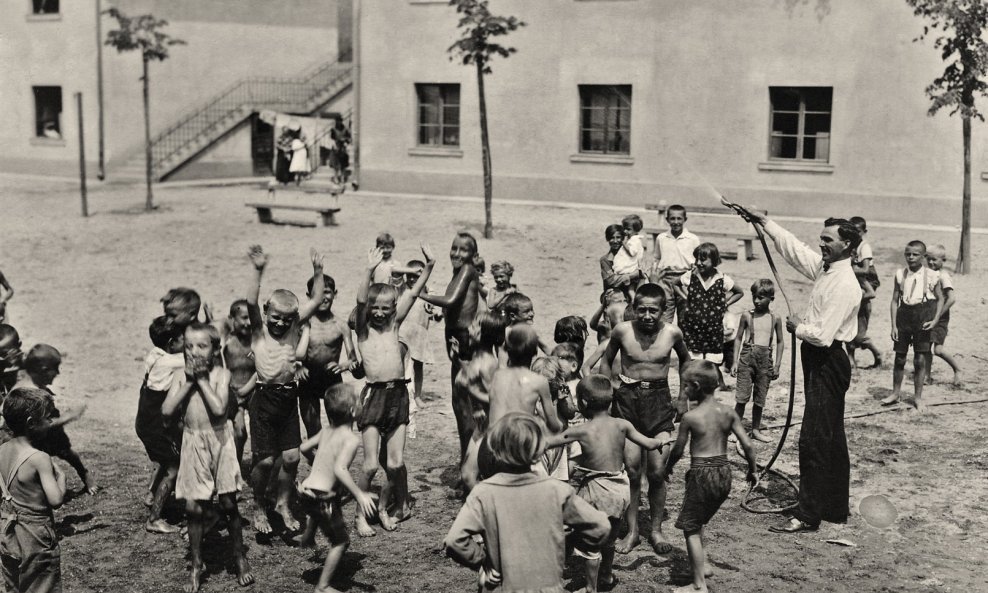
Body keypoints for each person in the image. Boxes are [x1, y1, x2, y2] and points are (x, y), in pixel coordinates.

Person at [743, 210, 860, 534]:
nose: (820, 244)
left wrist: (797, 328)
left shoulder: (845, 284)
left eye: (827, 240)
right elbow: (794, 249)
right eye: (821, 239)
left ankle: (808, 514)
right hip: (819, 359)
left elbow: (822, 335)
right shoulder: (828, 269)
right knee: (831, 437)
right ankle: (835, 508)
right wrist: (763, 223)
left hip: (828, 360)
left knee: (814, 439)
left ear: (846, 244)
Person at [443, 413, 610, 593]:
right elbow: (601, 526)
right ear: (539, 451)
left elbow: (454, 541)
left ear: (494, 449)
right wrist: (566, 542)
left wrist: (482, 561)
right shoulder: (556, 490)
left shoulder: (483, 493)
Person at [544, 375, 673, 593]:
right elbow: (649, 443)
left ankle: (590, 588)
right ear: (611, 402)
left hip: (598, 490)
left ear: (583, 403)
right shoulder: (622, 424)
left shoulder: (581, 430)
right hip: (620, 489)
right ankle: (606, 575)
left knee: (590, 544)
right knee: (610, 538)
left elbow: (550, 441)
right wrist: (661, 441)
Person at [599, 283, 691, 554]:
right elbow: (606, 360)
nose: (647, 316)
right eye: (642, 310)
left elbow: (686, 361)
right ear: (633, 309)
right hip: (626, 402)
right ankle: (633, 531)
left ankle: (656, 530)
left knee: (657, 471)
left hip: (659, 402)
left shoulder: (673, 333)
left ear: (664, 311)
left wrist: (683, 397)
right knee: (632, 469)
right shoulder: (622, 331)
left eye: (653, 311)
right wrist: (608, 389)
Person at [162, 323, 253, 592]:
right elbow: (167, 411)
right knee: (193, 507)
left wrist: (201, 381)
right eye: (188, 346)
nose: (193, 352)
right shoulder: (180, 376)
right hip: (193, 440)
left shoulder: (221, 374)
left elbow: (219, 409)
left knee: (228, 503)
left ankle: (239, 555)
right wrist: (189, 381)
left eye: (201, 346)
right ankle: (196, 563)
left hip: (220, 440)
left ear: (215, 350)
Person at [354, 244, 434, 535]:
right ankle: (361, 516)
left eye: (385, 309)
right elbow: (362, 301)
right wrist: (368, 270)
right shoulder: (364, 333)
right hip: (374, 396)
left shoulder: (394, 328)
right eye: (375, 309)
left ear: (392, 311)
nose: (378, 313)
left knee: (396, 464)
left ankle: (386, 507)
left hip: (398, 395)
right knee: (370, 465)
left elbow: (412, 294)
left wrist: (430, 266)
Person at [245, 245, 325, 534]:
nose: (279, 323)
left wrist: (318, 273)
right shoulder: (258, 332)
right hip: (264, 398)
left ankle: (282, 502)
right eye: (275, 317)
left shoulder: (292, 330)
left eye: (286, 319)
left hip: (288, 397)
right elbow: (251, 301)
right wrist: (257, 269)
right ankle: (257, 505)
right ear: (267, 313)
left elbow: (316, 299)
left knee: (291, 457)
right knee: (265, 460)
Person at [665, 360, 757, 593]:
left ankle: (698, 586)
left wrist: (667, 467)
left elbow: (678, 449)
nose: (684, 390)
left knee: (691, 529)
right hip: (724, 472)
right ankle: (701, 567)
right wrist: (753, 470)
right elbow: (747, 445)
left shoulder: (690, 417)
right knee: (700, 519)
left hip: (701, 474)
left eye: (685, 386)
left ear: (695, 386)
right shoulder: (727, 412)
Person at [295, 383, 376, 593]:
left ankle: (308, 535)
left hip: (305, 491)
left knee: (332, 500)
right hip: (322, 498)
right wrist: (360, 495)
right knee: (341, 542)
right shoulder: (351, 439)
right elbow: (341, 469)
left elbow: (303, 447)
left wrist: (318, 462)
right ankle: (322, 587)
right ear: (352, 411)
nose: (360, 404)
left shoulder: (325, 431)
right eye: (358, 401)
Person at [419, 232, 481, 466]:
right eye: (454, 248)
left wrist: (422, 295)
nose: (456, 253)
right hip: (455, 335)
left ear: (473, 255)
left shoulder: (467, 270)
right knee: (458, 403)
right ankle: (466, 459)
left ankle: (470, 463)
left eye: (463, 250)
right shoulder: (459, 272)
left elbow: (452, 299)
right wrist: (439, 313)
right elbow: (456, 306)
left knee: (464, 404)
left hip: (464, 339)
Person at [470, 326, 562, 484]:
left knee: (469, 476)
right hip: (514, 450)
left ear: (507, 349)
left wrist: (473, 391)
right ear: (534, 353)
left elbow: (492, 400)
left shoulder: (498, 375)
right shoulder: (539, 381)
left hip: (490, 447)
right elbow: (554, 426)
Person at [0, 388, 67, 593]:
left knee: (13, 585)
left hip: (7, 529)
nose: (50, 422)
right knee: (42, 585)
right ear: (31, 423)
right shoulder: (39, 458)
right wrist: (62, 478)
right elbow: (55, 499)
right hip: (35, 534)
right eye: (47, 418)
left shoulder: (2, 449)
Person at [13, 345, 96, 495]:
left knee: (66, 452)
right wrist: (68, 417)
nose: (57, 373)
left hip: (48, 425)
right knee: (37, 460)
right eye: (55, 369)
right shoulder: (26, 392)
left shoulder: (32, 381)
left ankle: (84, 474)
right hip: (31, 434)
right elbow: (38, 427)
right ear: (44, 370)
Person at [882, 240, 944, 411]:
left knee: (920, 359)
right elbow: (894, 300)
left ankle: (917, 397)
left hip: (922, 318)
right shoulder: (900, 274)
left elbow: (941, 299)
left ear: (923, 257)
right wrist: (894, 325)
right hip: (903, 318)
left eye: (915, 254)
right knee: (899, 357)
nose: (910, 257)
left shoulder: (932, 275)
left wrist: (935, 320)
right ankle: (895, 393)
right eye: (907, 254)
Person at [137, 316, 186, 532]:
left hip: (144, 421)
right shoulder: (174, 361)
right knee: (174, 466)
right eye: (184, 338)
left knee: (163, 459)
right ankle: (154, 519)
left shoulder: (155, 354)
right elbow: (200, 358)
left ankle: (151, 494)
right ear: (172, 343)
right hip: (156, 424)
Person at [299, 274, 357, 446]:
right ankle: (319, 464)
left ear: (335, 293)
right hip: (308, 377)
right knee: (312, 428)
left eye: (327, 292)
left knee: (339, 424)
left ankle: (337, 461)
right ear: (309, 296)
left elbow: (352, 357)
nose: (323, 297)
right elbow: (292, 351)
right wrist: (297, 367)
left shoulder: (341, 325)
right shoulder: (303, 323)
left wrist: (344, 365)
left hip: (332, 377)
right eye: (317, 293)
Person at [730, 279, 785, 443]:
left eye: (761, 297)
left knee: (760, 398)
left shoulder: (775, 318)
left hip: (765, 362)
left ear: (771, 298)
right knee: (741, 398)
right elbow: (738, 338)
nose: (756, 301)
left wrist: (777, 365)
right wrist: (734, 362)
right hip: (747, 360)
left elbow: (781, 341)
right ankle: (735, 430)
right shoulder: (747, 315)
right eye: (754, 296)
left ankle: (755, 429)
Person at [676, 242, 744, 367]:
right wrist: (686, 298)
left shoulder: (722, 279)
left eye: (703, 260)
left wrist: (726, 303)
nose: (698, 263)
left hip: (714, 330)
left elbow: (739, 292)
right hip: (694, 328)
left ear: (714, 261)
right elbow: (675, 284)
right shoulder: (691, 275)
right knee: (694, 362)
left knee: (712, 364)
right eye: (696, 259)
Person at [396, 260, 440, 409]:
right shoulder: (401, 289)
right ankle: (400, 394)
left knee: (418, 367)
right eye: (410, 275)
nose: (413, 279)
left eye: (417, 275)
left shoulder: (428, 291)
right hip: (402, 332)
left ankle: (417, 396)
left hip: (420, 333)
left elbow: (435, 310)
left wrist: (435, 312)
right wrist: (407, 270)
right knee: (400, 365)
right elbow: (392, 271)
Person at [652, 204, 700, 322]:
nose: (676, 222)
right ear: (667, 219)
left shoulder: (692, 239)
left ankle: (682, 340)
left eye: (679, 218)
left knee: (685, 316)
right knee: (664, 317)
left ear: (685, 219)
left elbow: (699, 261)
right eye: (672, 218)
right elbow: (657, 258)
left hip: (685, 280)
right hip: (665, 279)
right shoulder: (661, 238)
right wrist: (654, 277)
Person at [846, 216, 883, 369]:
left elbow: (866, 270)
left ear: (864, 232)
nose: (856, 234)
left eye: (858, 231)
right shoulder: (850, 244)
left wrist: (852, 269)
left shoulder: (863, 246)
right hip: (855, 285)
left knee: (860, 335)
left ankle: (877, 353)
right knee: (847, 329)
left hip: (864, 280)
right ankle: (850, 360)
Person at [223, 300, 255, 466]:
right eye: (243, 318)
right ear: (232, 319)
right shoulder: (228, 341)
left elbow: (261, 367)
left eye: (251, 318)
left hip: (253, 390)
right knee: (240, 432)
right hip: (235, 393)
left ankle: (259, 464)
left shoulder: (255, 341)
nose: (248, 323)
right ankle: (235, 465)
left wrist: (248, 388)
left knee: (259, 430)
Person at [924, 244, 962, 386]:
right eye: (928, 259)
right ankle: (927, 376)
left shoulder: (943, 276)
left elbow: (952, 298)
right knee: (926, 347)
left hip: (940, 318)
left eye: (934, 259)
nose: (931, 262)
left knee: (938, 350)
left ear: (943, 260)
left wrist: (938, 315)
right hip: (928, 315)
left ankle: (957, 369)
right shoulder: (928, 273)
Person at [611, 215, 646, 300]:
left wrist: (624, 244)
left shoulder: (635, 240)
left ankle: (634, 301)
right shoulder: (633, 239)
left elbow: (632, 252)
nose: (625, 231)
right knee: (630, 289)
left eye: (629, 229)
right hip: (633, 266)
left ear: (636, 230)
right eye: (624, 228)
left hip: (631, 267)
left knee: (630, 289)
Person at [600, 224, 635, 296]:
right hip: (613, 294)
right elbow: (611, 281)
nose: (615, 241)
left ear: (623, 238)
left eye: (618, 237)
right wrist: (633, 275)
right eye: (612, 238)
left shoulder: (631, 255)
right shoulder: (605, 260)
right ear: (607, 239)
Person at [0, 325, 23, 398]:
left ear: (19, 344)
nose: (2, 357)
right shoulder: (3, 363)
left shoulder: (28, 362)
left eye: (4, 353)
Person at [329, 115, 352, 186]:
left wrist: (346, 143)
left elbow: (349, 138)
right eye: (337, 121)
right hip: (336, 147)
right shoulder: (333, 129)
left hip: (343, 148)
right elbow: (331, 139)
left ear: (341, 121)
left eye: (340, 121)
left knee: (343, 164)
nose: (338, 122)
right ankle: (336, 178)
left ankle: (342, 178)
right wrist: (334, 145)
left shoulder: (345, 129)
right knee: (335, 164)